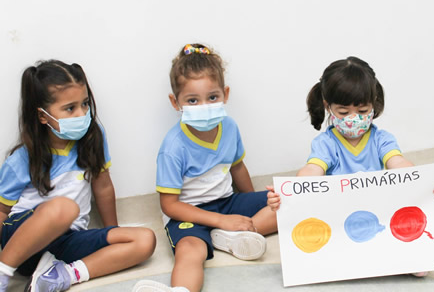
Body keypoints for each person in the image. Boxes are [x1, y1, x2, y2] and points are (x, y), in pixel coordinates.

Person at [266, 56, 434, 276]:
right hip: (339, 215)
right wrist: (290, 192)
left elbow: (398, 163)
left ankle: (402, 255)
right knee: (320, 242)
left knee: (404, 235)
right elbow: (313, 170)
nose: (353, 119)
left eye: (362, 112)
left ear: (374, 105)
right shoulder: (326, 143)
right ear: (328, 107)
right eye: (343, 112)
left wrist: (423, 183)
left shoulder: (382, 139)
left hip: (378, 211)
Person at [0, 60, 156, 292]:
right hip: (23, 241)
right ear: (42, 116)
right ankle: (2, 273)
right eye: (70, 108)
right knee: (64, 208)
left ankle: (59, 277)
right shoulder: (23, 159)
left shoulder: (93, 138)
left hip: (67, 241)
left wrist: (111, 230)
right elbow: (2, 211)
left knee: (145, 241)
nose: (82, 113)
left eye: (84, 104)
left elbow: (103, 187)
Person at [134, 44, 277, 292]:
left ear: (225, 94)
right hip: (186, 214)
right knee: (191, 250)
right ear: (175, 102)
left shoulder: (229, 127)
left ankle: (231, 235)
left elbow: (238, 167)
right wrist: (222, 220)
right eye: (193, 100)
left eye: (212, 97)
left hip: (226, 201)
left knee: (282, 202)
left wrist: (249, 204)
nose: (204, 106)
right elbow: (170, 205)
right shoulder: (173, 147)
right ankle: (182, 289)